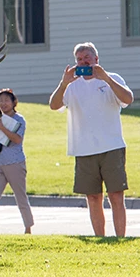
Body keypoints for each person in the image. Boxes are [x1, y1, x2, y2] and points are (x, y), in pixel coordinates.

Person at [50, 42, 133, 237]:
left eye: (87, 58)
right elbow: (54, 105)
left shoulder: (112, 78)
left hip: (112, 146)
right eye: (79, 59)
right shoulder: (71, 85)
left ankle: (120, 238)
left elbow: (128, 99)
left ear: (96, 59)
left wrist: (105, 78)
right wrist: (64, 83)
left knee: (115, 195)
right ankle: (100, 238)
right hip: (84, 149)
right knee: (93, 197)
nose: (83, 62)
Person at [0, 88, 33, 234]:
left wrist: (2, 128)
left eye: (6, 100)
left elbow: (17, 139)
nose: (3, 104)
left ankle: (28, 228)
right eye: (0, 100)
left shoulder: (19, 120)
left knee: (20, 197)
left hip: (15, 163)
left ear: (13, 102)